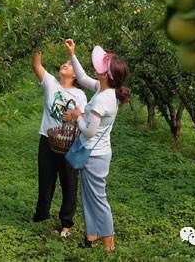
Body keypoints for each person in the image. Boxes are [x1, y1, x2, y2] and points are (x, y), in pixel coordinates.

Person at [63, 39, 130, 252]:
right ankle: (91, 236)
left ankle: (109, 243)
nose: (96, 69)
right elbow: (82, 78)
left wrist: (76, 116)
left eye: (101, 67)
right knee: (89, 196)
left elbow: (89, 130)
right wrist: (72, 54)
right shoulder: (103, 88)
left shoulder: (104, 99)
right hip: (93, 153)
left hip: (95, 155)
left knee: (98, 199)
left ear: (105, 75)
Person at [31, 50, 87, 237]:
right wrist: (37, 45)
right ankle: (41, 216)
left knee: (69, 182)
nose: (65, 65)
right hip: (48, 140)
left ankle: (66, 224)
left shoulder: (79, 94)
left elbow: (84, 117)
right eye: (64, 63)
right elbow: (37, 65)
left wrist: (75, 115)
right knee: (45, 180)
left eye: (69, 65)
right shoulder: (51, 84)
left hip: (70, 143)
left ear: (75, 74)